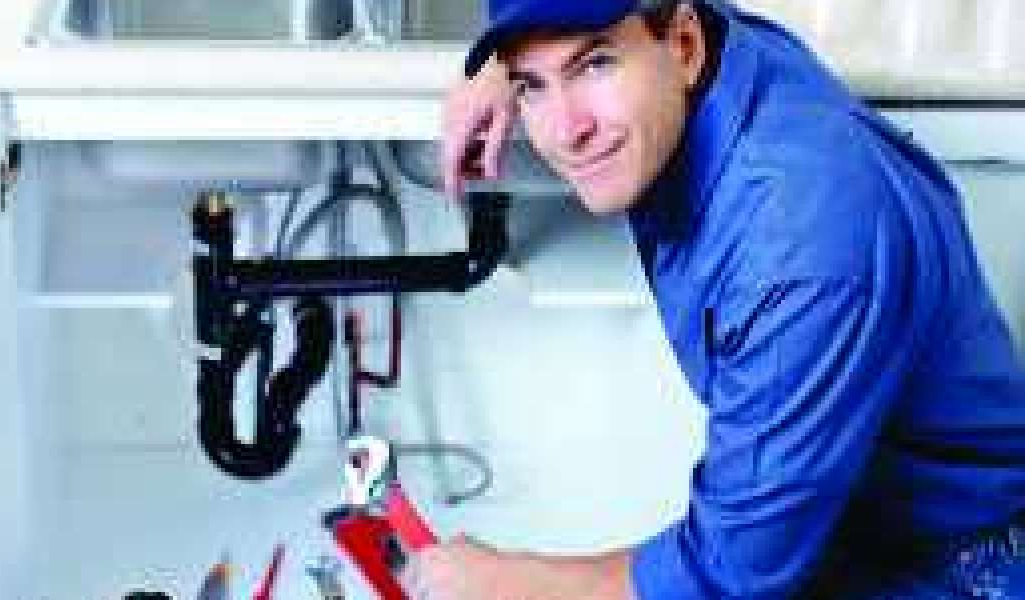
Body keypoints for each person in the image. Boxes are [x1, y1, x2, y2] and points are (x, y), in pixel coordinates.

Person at [402, 0, 1025, 598]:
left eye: (595, 64)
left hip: (961, 573)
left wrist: (510, 583)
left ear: (684, 46)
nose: (568, 132)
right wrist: (506, 67)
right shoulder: (717, 53)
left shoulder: (797, 246)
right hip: (846, 538)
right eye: (532, 87)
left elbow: (727, 578)